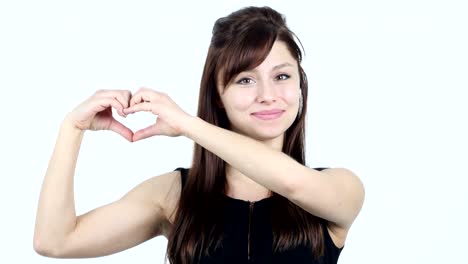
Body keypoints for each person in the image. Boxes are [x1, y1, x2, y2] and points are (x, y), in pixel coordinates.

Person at [33, 6, 365, 264]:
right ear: (217, 94)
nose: (268, 94)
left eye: (282, 76)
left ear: (300, 85)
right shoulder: (175, 194)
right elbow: (55, 241)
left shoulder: (340, 188)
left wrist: (187, 124)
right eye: (245, 80)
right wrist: (71, 129)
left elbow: (293, 184)